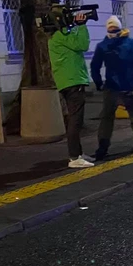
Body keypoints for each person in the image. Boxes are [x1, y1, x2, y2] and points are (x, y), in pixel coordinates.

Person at [90, 16, 133, 160]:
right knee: (107, 118)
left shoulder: (128, 44)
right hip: (113, 86)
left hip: (128, 85)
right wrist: (98, 82)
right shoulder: (104, 46)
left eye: (114, 28)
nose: (113, 31)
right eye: (110, 29)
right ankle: (103, 146)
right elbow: (95, 66)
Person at [48, 13, 94, 168]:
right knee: (75, 120)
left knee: (76, 119)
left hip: (69, 81)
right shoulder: (61, 36)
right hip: (73, 81)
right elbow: (82, 44)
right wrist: (81, 25)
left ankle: (78, 154)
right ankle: (74, 157)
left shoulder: (57, 37)